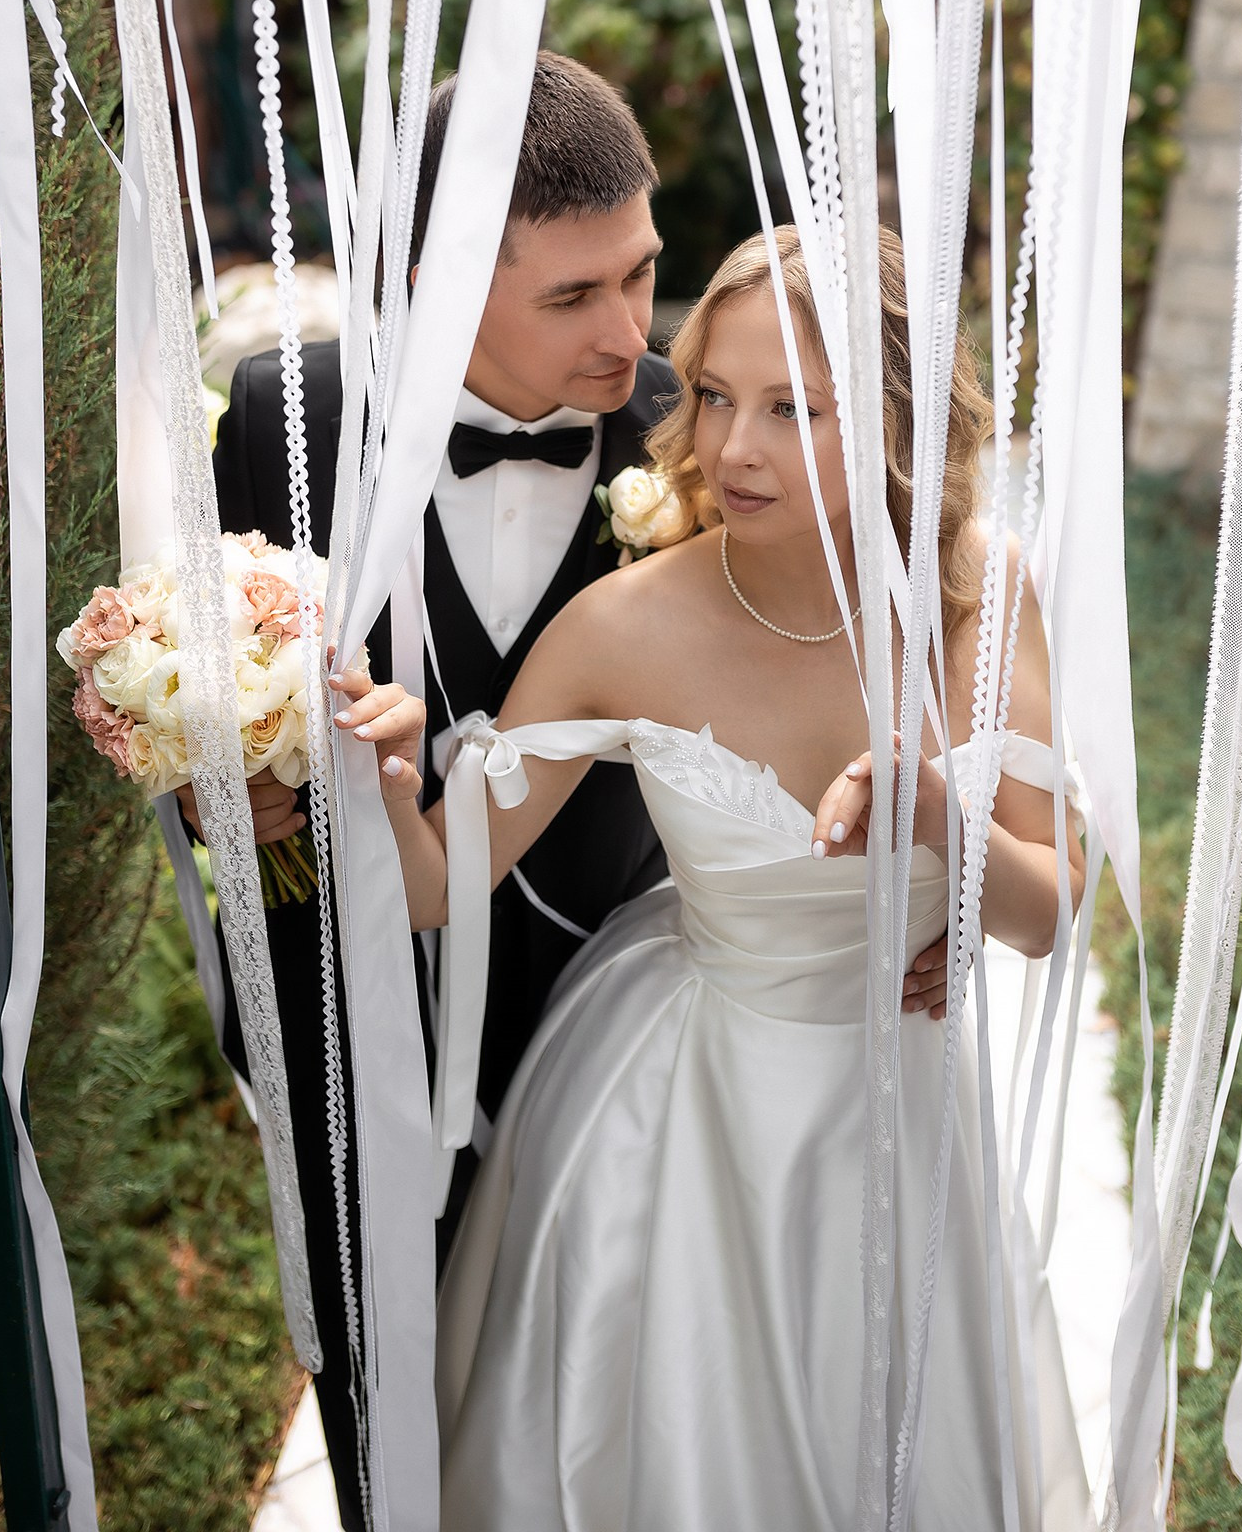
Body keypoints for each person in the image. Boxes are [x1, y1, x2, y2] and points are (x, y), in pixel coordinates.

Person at [332, 224, 1092, 1529]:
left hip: (898, 1113)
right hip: (671, 1119)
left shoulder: (983, 599)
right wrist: (387, 777)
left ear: (900, 419)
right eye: (716, 396)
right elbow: (437, 888)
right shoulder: (623, 626)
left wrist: (934, 821)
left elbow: (1049, 909)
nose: (731, 448)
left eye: (793, 409)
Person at [183, 53, 679, 1531]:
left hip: (619, 1018)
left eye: (639, 275)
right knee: (378, 1373)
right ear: (433, 276)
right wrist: (237, 799)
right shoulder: (283, 416)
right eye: (571, 298)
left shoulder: (700, 435)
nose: (627, 334)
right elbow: (204, 704)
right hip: (353, 1010)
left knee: (599, 1403)